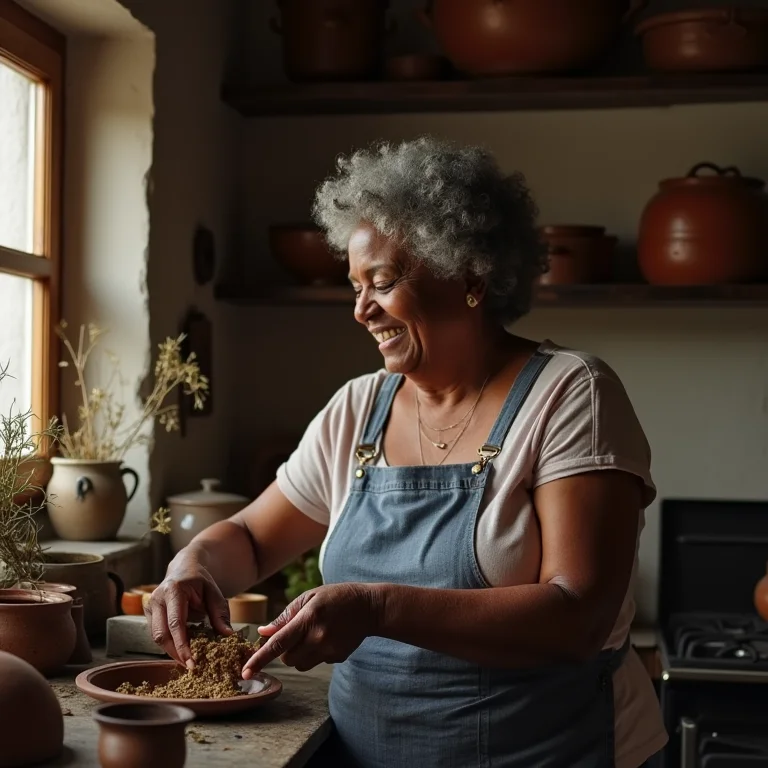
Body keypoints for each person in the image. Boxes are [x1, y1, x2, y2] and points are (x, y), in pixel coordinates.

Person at [146, 137, 668, 768]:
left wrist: (378, 606)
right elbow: (253, 540)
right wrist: (193, 568)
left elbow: (577, 614)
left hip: (549, 753)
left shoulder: (571, 395)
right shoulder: (358, 407)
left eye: (383, 283)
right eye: (354, 286)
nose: (362, 310)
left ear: (470, 276)